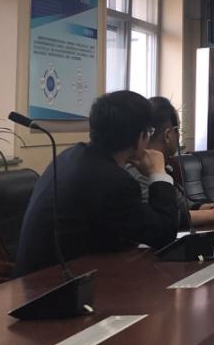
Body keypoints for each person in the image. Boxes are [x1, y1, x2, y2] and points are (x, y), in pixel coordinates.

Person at [15, 90, 181, 275]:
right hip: (53, 286)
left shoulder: (70, 156)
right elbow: (163, 235)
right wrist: (158, 173)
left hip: (35, 279)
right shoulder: (114, 182)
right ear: (139, 137)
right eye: (148, 132)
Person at [125, 97, 214, 227]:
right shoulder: (136, 169)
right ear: (168, 135)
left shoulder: (162, 164)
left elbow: (180, 204)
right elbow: (161, 218)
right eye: (178, 130)